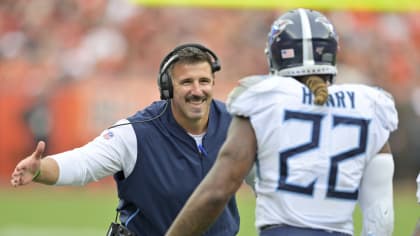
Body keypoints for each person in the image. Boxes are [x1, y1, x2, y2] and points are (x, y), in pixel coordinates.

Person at [166, 8, 398, 236]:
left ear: (276, 54)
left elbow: (217, 192)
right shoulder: (369, 105)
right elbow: (381, 219)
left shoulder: (263, 98)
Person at [10, 43, 240, 236]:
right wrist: (41, 169)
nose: (197, 90)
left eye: (204, 81)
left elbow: (264, 177)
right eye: (187, 82)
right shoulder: (137, 132)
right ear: (168, 88)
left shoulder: (236, 125)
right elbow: (85, 162)